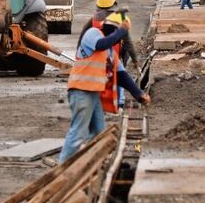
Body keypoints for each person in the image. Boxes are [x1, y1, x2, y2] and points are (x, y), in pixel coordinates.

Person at [60, 12, 147, 162]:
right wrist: (122, 30)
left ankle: (90, 163)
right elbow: (100, 45)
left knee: (99, 132)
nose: (119, 38)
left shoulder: (110, 52)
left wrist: (139, 94)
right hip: (80, 91)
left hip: (93, 94)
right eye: (118, 33)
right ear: (112, 28)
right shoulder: (92, 34)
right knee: (78, 132)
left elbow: (121, 75)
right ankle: (62, 167)